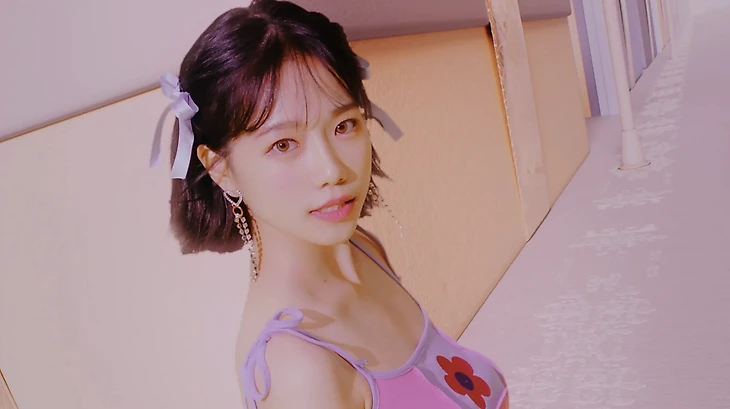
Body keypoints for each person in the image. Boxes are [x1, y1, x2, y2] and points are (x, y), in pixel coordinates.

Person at [151, 1, 509, 408]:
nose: (332, 170)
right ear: (220, 168)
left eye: (343, 125)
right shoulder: (301, 370)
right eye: (283, 144)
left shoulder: (363, 249)